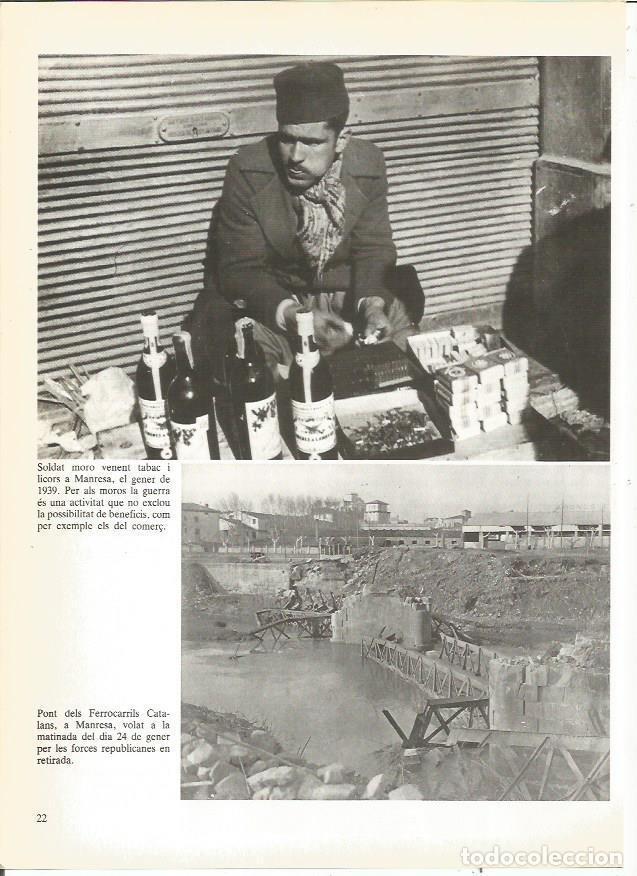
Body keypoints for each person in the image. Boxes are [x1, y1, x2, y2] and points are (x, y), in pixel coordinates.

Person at [186, 61, 419, 376]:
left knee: (401, 352)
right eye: (286, 139)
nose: (295, 157)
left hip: (347, 296)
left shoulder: (368, 164)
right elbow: (239, 270)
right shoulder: (248, 170)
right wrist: (293, 314)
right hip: (279, 300)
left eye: (312, 142)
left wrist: (372, 306)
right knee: (250, 368)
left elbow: (374, 247)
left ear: (343, 139)